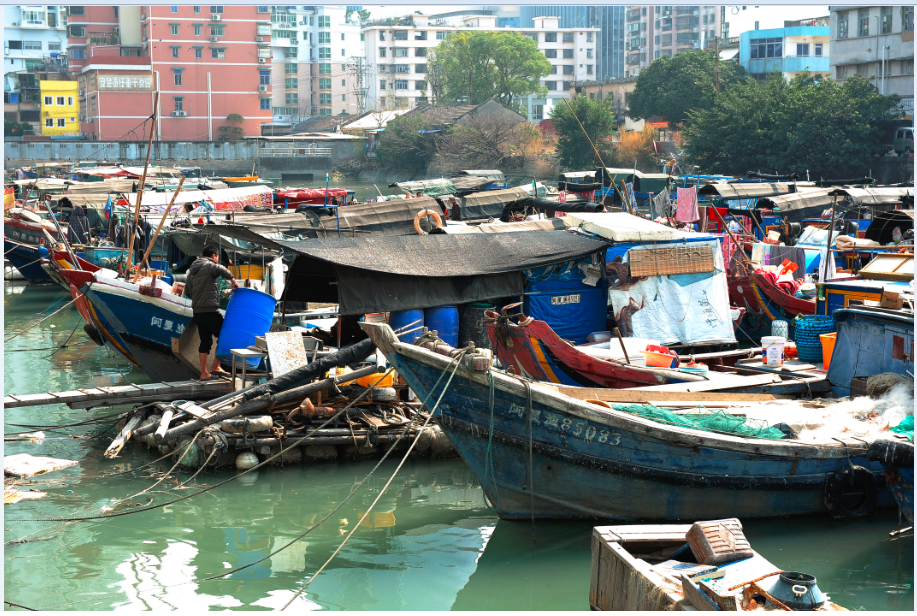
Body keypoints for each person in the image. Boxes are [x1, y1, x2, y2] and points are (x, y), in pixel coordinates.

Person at [183, 246, 238, 380]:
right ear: (214, 256)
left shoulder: (192, 271)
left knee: (205, 342)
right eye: (217, 258)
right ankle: (215, 366)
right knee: (224, 336)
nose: (217, 260)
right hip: (210, 310)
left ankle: (204, 373)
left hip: (197, 312)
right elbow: (220, 269)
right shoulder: (209, 265)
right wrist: (232, 279)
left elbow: (188, 292)